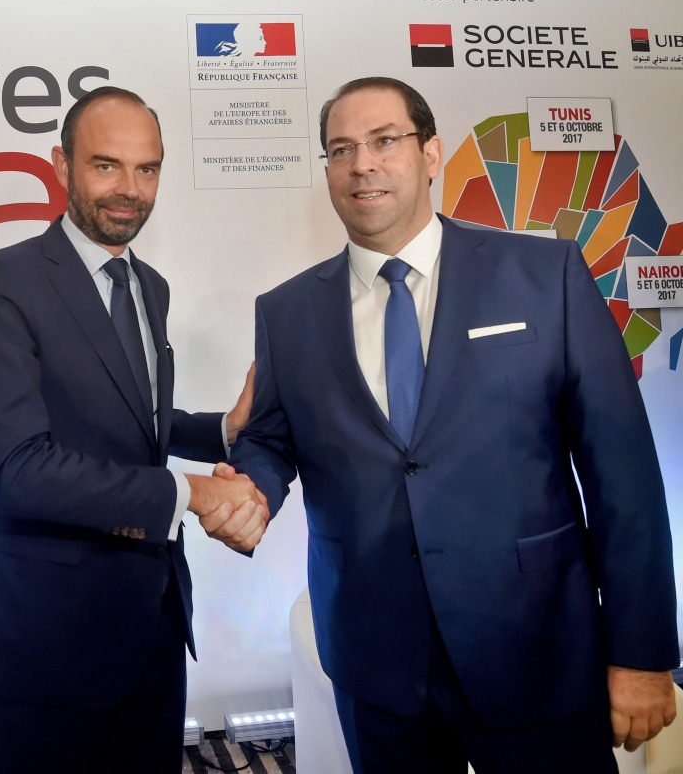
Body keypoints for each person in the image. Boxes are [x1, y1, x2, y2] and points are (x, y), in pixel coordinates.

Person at [229, 76, 678, 773]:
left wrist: (643, 653)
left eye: (385, 141)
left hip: (537, 649)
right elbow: (270, 436)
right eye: (341, 149)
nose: (362, 164)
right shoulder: (286, 312)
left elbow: (624, 473)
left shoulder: (545, 273)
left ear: (432, 153)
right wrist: (250, 490)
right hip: (376, 661)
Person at [0, 86, 268, 774]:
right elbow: (16, 469)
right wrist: (191, 493)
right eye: (107, 166)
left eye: (147, 169)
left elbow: (128, 422)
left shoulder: (148, 284)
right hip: (48, 649)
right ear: (61, 164)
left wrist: (222, 428)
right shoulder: (0, 283)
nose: (130, 190)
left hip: (152, 626)